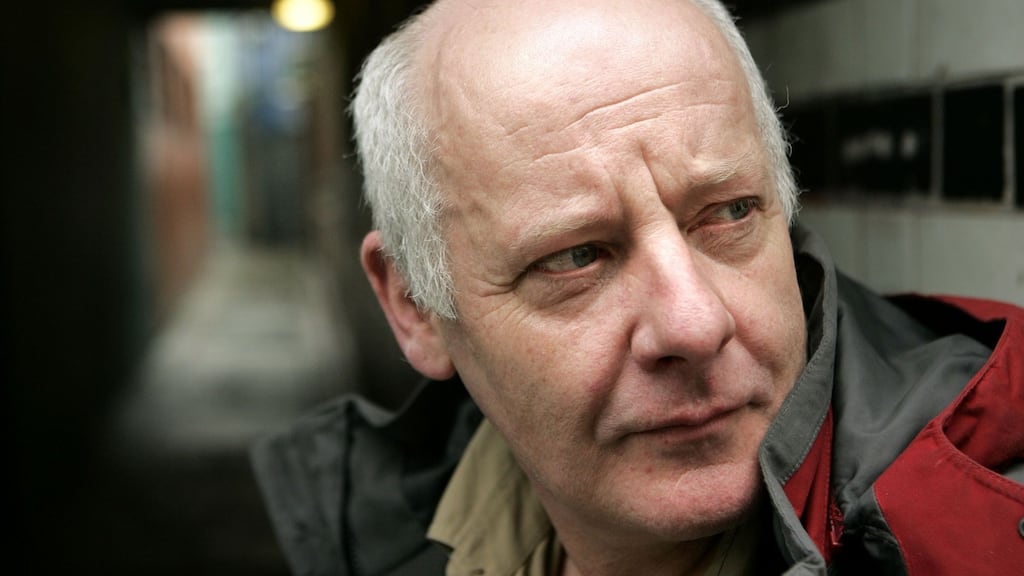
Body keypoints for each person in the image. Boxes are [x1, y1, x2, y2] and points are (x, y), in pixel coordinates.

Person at [251, 0, 1024, 574]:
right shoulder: (392, 544)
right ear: (415, 308)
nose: (693, 323)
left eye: (728, 213)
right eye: (576, 256)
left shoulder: (989, 521)